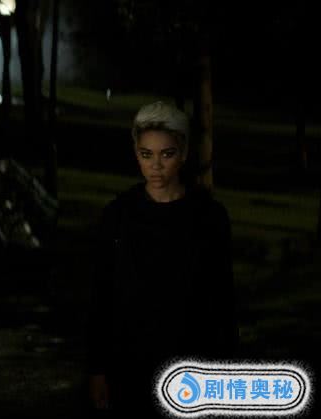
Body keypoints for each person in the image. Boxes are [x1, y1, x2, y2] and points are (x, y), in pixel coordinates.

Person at [86, 101, 238, 418]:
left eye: (166, 154)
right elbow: (101, 294)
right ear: (136, 154)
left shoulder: (208, 217)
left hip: (192, 361)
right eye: (146, 154)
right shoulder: (118, 216)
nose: (156, 165)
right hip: (130, 365)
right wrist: (98, 368)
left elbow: (223, 297)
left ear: (183, 153)